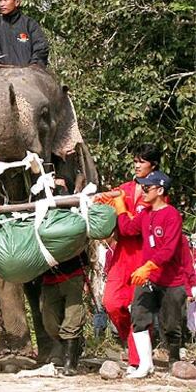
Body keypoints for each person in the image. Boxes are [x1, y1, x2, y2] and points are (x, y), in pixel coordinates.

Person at [109, 170, 189, 378]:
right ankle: (145, 364)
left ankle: (174, 360)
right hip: (149, 279)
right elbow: (127, 229)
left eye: (147, 188)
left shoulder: (172, 215)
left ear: (160, 190)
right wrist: (120, 206)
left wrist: (148, 266)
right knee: (139, 314)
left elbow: (168, 249)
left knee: (171, 325)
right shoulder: (145, 214)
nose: (143, 191)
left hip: (171, 280)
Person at [96, 144, 161, 373]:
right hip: (121, 255)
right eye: (135, 160)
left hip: (143, 257)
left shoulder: (157, 191)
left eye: (142, 161)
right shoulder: (124, 188)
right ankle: (134, 344)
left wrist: (120, 206)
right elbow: (103, 205)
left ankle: (138, 359)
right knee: (111, 303)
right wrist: (100, 200)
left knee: (139, 309)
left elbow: (134, 228)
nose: (137, 164)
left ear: (153, 165)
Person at [41, 252, 88, 376]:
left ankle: (70, 363)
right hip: (49, 280)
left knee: (73, 318)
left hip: (73, 275)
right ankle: (75, 345)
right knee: (50, 324)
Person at [0, 0, 49, 67]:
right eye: (0, 1)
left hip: (29, 75)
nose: (1, 4)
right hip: (1, 75)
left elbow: (41, 48)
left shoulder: (30, 24)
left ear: (17, 2)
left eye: (5, 0)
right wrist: (1, 68)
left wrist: (34, 66)